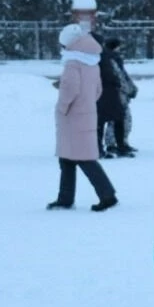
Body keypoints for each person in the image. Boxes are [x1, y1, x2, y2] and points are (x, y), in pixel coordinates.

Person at [50, 24, 119, 211]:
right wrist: (85, 102)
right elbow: (97, 90)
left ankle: (107, 195)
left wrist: (62, 107)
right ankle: (65, 198)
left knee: (82, 158)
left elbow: (70, 89)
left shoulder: (73, 63)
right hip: (87, 113)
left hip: (72, 116)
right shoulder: (91, 61)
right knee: (68, 157)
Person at [97, 36, 136, 158]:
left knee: (115, 119)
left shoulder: (107, 58)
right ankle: (114, 144)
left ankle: (117, 143)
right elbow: (120, 76)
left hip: (111, 93)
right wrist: (129, 89)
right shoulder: (111, 58)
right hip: (114, 93)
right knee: (117, 119)